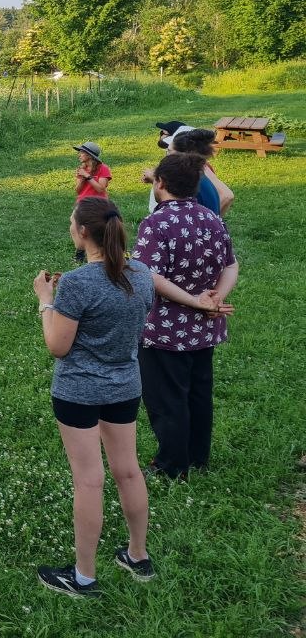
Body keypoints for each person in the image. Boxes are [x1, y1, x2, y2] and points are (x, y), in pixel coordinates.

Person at [31, 197, 157, 597]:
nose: (70, 227)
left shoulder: (77, 283)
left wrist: (45, 300)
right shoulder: (142, 275)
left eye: (72, 222)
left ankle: (83, 576)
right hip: (125, 386)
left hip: (78, 392)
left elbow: (57, 345)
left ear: (84, 232)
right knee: (129, 471)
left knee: (89, 480)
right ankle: (137, 555)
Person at [133, 152, 239, 480]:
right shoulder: (212, 218)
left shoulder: (155, 223)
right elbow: (231, 265)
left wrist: (196, 300)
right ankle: (197, 458)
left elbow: (149, 275)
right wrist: (215, 297)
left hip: (165, 331)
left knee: (167, 398)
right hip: (204, 329)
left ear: (160, 184)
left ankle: (172, 466)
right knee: (198, 392)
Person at [142, 127, 232, 217]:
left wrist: (155, 180)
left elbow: (167, 205)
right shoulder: (198, 175)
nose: (166, 156)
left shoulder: (187, 183)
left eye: (169, 151)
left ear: (183, 157)